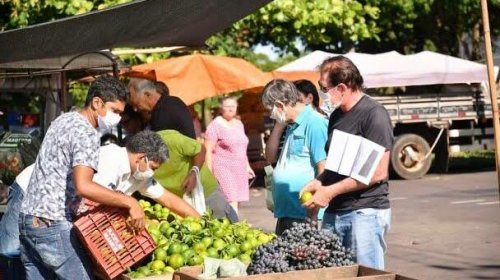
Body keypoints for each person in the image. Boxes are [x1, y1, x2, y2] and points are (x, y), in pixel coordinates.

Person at [18, 75, 144, 280]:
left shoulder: (64, 119)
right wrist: (130, 202)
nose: (118, 118)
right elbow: (84, 186)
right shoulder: (87, 133)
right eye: (115, 111)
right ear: (96, 103)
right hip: (52, 221)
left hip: (28, 219)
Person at [0, 131, 200, 259]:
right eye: (153, 167)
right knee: (10, 248)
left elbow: (167, 198)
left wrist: (200, 221)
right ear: (141, 157)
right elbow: (87, 189)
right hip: (32, 188)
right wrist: (130, 202)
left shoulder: (139, 174)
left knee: (34, 256)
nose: (152, 172)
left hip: (57, 208)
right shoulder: (109, 158)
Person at [302, 56, 394, 270]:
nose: (321, 93)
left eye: (323, 87)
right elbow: (335, 164)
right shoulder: (336, 116)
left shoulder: (374, 115)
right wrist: (319, 182)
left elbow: (378, 173)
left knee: (366, 275)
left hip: (363, 214)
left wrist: (330, 192)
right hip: (336, 212)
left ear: (342, 87)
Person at [262, 79, 328, 235]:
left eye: (271, 110)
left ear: (280, 105)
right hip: (287, 211)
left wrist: (314, 210)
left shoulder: (315, 123)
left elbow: (323, 169)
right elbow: (270, 157)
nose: (271, 115)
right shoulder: (291, 124)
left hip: (304, 214)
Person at [154, 130, 238, 222]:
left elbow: (200, 149)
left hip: (205, 190)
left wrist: (194, 172)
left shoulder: (170, 138)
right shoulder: (137, 163)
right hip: (180, 201)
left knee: (224, 222)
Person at [204, 97, 255, 215]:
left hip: (239, 167)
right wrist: (209, 171)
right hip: (223, 167)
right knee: (231, 198)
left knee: (237, 200)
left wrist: (247, 167)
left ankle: (232, 223)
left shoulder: (239, 124)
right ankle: (235, 227)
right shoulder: (215, 125)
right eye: (227, 106)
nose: (231, 108)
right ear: (221, 108)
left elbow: (241, 148)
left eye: (233, 105)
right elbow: (208, 149)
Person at [128, 78, 196, 138]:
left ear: (147, 94)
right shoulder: (170, 102)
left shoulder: (163, 111)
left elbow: (158, 147)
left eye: (137, 104)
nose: (135, 109)